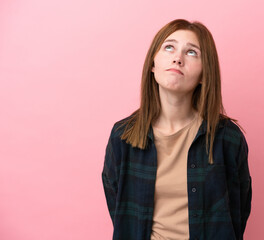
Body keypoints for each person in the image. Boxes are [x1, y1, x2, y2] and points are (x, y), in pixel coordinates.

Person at [102, 19, 252, 240]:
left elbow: (237, 213)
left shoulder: (227, 138)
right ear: (153, 64)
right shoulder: (123, 136)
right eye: (169, 47)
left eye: (192, 53)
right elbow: (120, 210)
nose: (177, 58)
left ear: (204, 74)